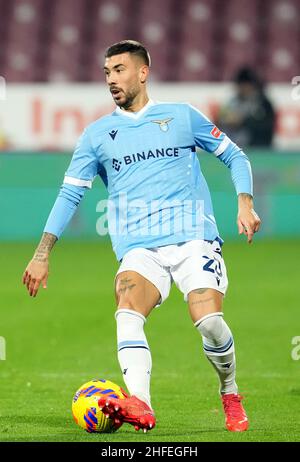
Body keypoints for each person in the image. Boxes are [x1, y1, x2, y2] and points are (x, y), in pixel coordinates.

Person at [22, 40, 261, 433]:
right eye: (106, 72)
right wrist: (42, 252)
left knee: (208, 321)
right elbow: (70, 193)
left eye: (118, 70)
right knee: (127, 306)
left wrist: (244, 203)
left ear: (142, 72)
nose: (111, 79)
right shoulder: (97, 135)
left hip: (193, 238)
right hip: (138, 247)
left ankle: (230, 392)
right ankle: (141, 406)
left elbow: (235, 155)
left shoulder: (182, 117)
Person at [217, 67, 275, 148]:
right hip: (234, 149)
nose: (242, 89)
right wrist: (226, 121)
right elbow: (219, 122)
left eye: (245, 85)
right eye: (240, 85)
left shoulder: (263, 103)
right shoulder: (232, 102)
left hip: (257, 148)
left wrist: (243, 121)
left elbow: (266, 127)